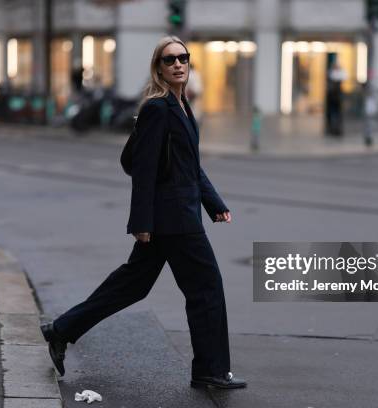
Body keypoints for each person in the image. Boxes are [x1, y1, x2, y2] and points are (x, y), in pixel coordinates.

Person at [41, 35, 247, 390]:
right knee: (207, 289)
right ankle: (210, 371)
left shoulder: (182, 106)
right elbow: (144, 168)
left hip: (177, 214)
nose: (178, 64)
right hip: (173, 219)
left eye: (183, 58)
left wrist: (215, 204)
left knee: (131, 284)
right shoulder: (157, 108)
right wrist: (141, 223)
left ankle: (61, 329)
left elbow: (191, 166)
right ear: (159, 68)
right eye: (170, 60)